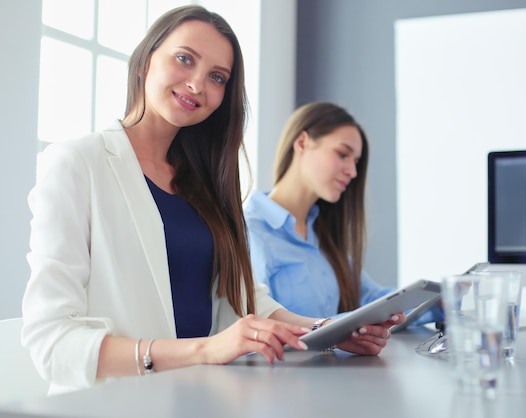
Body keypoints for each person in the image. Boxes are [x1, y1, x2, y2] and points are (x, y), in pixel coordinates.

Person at [21, 6, 403, 394]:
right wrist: (203, 350)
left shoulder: (205, 184)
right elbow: (52, 342)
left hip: (199, 398)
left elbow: (245, 299)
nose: (197, 84)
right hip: (116, 404)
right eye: (185, 59)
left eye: (217, 77)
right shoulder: (76, 162)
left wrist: (326, 332)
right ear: (144, 60)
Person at [244, 102, 444, 323]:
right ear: (302, 142)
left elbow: (374, 300)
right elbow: (262, 322)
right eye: (342, 154)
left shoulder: (322, 234)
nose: (353, 172)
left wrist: (438, 301)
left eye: (356, 162)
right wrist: (347, 326)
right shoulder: (250, 232)